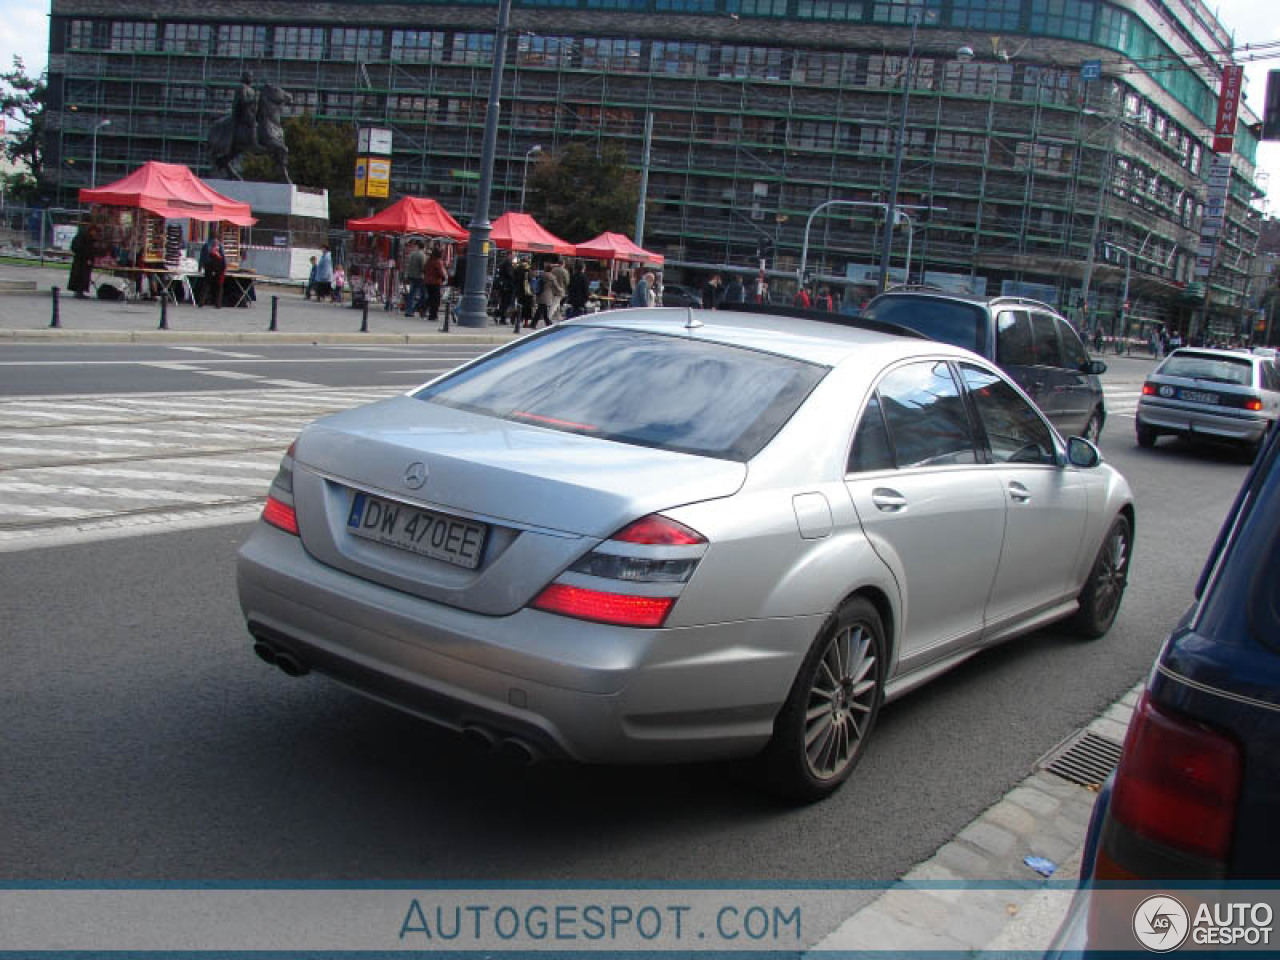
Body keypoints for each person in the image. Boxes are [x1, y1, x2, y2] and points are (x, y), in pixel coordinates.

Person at [232, 71, 260, 151]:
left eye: (251, 76)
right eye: (249, 76)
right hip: (242, 111)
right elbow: (243, 100)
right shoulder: (242, 87)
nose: (251, 78)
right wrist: (253, 100)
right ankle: (254, 142)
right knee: (252, 122)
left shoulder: (251, 89)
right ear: (244, 77)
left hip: (250, 111)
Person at [423, 244, 449, 324]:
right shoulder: (438, 261)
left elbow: (424, 269)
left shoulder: (429, 260)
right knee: (436, 299)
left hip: (428, 282)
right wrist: (444, 278)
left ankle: (425, 310)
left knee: (431, 298)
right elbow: (440, 272)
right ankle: (433, 315)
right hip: (435, 282)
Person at [68, 223, 96, 299]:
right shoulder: (86, 238)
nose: (95, 233)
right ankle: (79, 291)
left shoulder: (81, 236)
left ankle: (79, 291)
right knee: (81, 276)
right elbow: (87, 250)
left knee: (80, 276)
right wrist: (89, 258)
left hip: (79, 259)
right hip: (83, 260)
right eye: (94, 231)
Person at [199, 235, 226, 308]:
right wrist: (224, 267)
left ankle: (201, 301)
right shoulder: (220, 245)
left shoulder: (206, 245)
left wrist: (200, 267)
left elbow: (201, 257)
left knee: (206, 283)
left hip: (208, 266)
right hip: (218, 266)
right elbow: (223, 256)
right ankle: (218, 304)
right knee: (219, 286)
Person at [402, 240, 426, 317]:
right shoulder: (422, 255)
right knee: (423, 295)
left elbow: (408, 265)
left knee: (411, 294)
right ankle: (417, 308)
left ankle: (409, 310)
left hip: (412, 276)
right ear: (423, 247)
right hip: (420, 277)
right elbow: (423, 267)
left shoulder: (411, 254)